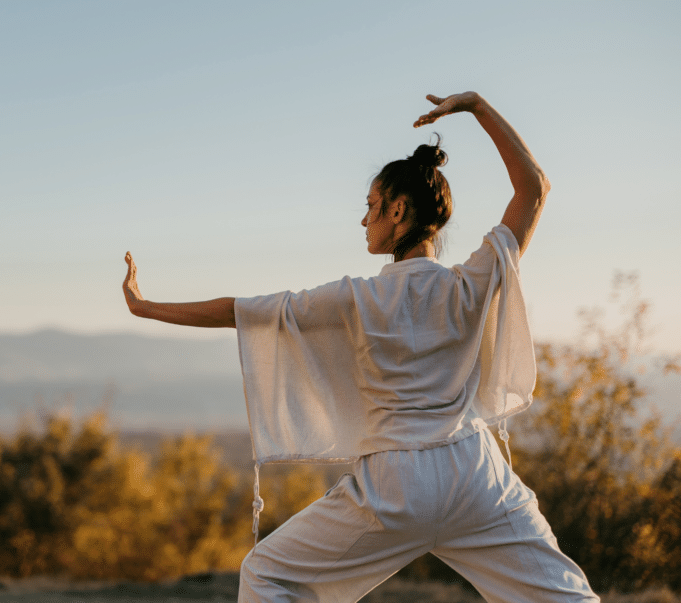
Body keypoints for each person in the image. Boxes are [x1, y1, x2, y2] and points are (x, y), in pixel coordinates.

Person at [122, 91, 599, 602]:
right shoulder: (471, 283)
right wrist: (478, 107)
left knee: (266, 576)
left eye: (371, 206)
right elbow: (534, 187)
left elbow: (241, 310)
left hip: (395, 488)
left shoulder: (356, 299)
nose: (364, 219)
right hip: (474, 477)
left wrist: (146, 307)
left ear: (398, 210)